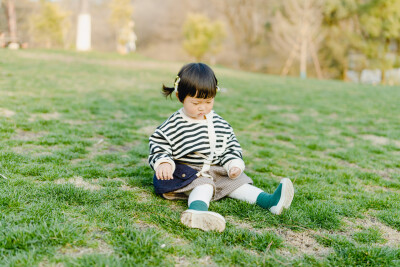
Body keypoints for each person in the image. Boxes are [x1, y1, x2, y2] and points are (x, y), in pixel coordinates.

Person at [148, 63, 294, 232]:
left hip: (214, 170)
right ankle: (196, 212)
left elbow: (230, 144)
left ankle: (269, 202)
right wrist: (164, 162)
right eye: (196, 103)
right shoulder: (174, 124)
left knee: (238, 182)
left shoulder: (218, 122)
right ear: (180, 96)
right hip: (186, 173)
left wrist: (233, 163)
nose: (202, 107)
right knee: (205, 185)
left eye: (208, 101)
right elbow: (159, 143)